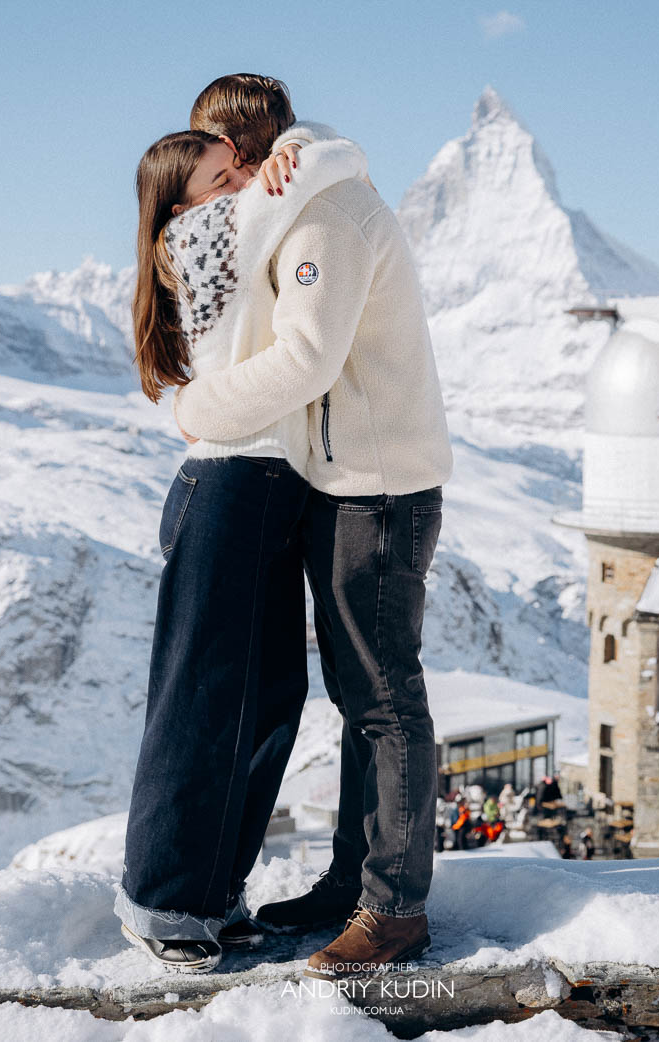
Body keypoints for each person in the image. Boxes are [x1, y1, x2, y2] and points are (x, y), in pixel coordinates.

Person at [173, 73, 453, 979]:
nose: (210, 179)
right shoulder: (300, 199)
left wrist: (198, 408)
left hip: (376, 488)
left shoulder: (324, 217)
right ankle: (354, 883)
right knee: (359, 701)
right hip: (348, 480)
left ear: (244, 153)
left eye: (214, 161)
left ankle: (395, 908)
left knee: (382, 698)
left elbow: (306, 357)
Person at [115, 109, 369, 972]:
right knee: (203, 702)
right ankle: (161, 899)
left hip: (263, 490)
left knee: (264, 703)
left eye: (243, 170)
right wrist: (300, 145)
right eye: (222, 177)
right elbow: (309, 175)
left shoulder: (230, 224)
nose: (245, 184)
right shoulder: (204, 234)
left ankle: (213, 892)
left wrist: (278, 153)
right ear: (181, 207)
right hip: (229, 486)